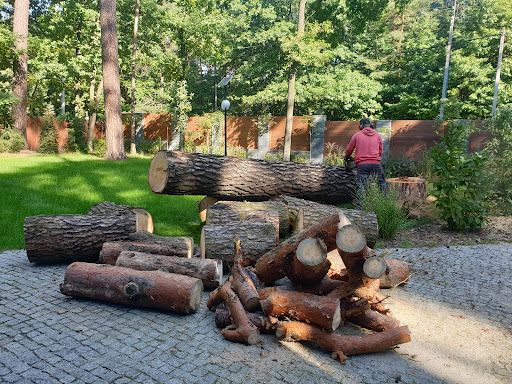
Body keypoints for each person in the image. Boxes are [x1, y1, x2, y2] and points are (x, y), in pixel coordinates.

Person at [345, 118, 386, 204]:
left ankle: (361, 206)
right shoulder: (378, 136)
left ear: (360, 126)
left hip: (362, 165)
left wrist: (347, 157)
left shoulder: (357, 135)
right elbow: (380, 152)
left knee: (361, 185)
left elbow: (349, 150)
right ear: (371, 125)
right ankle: (384, 202)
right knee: (381, 183)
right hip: (376, 164)